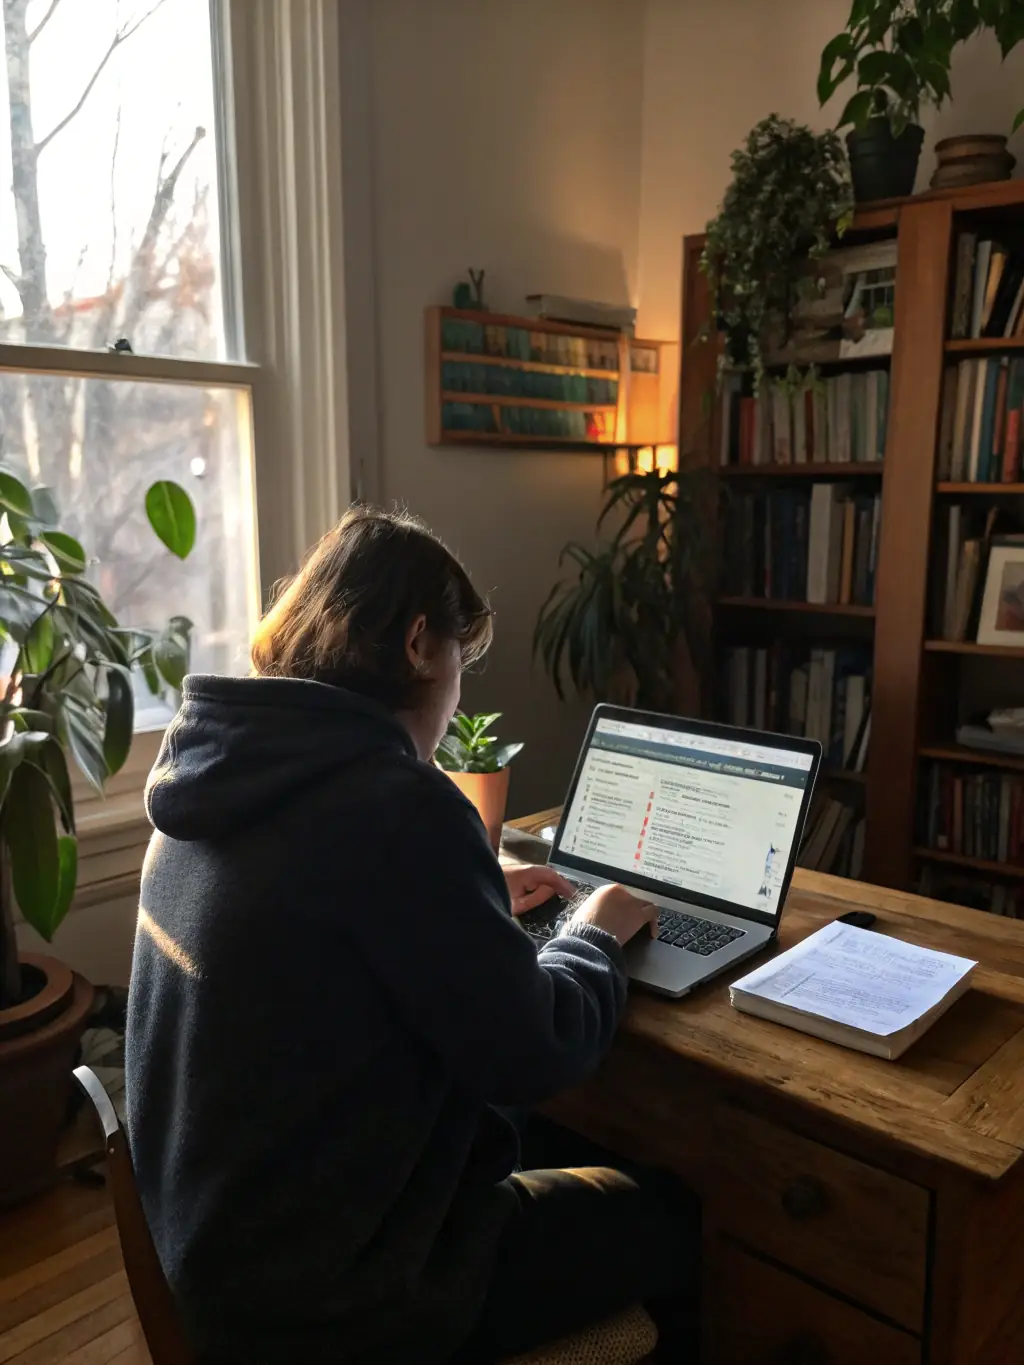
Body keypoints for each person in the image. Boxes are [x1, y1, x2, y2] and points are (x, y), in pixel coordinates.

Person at [125, 506, 699, 1365]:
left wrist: (468, 896)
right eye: (462, 663)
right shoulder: (392, 804)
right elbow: (535, 1049)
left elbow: (319, 919)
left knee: (544, 1140)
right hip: (338, 1305)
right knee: (678, 1212)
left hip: (217, 1257)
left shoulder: (215, 770)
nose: (458, 691)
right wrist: (594, 930)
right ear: (421, 644)